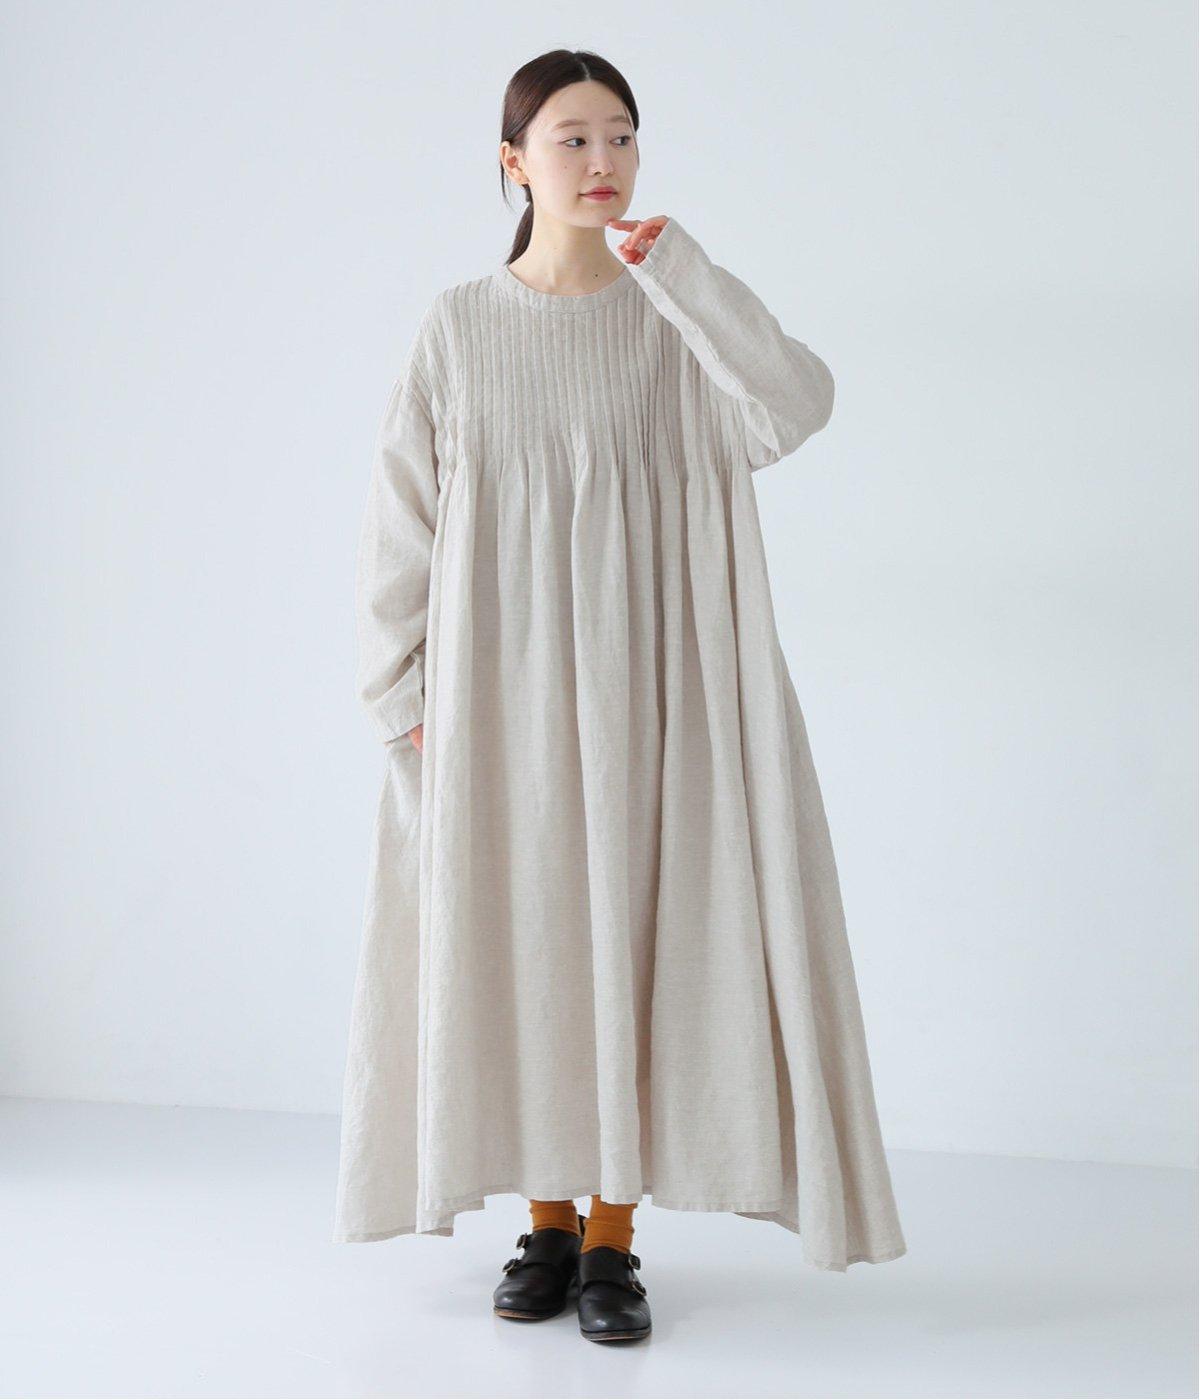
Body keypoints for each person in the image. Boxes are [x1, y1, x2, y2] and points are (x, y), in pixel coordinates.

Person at [333, 48, 907, 1344]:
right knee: (529, 938)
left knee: (640, 937)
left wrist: (685, 275)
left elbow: (794, 406)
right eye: (572, 139)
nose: (602, 162)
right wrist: (395, 693)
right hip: (499, 699)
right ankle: (544, 1222)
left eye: (622, 138)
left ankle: (610, 1238)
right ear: (512, 163)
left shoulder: (676, 321)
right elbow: (398, 525)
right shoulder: (457, 329)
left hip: (659, 689)